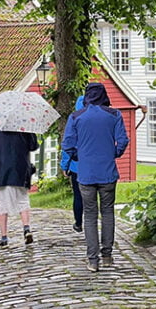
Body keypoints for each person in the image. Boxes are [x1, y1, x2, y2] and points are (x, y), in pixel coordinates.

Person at [62, 83, 129, 272]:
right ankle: (107, 254)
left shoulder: (76, 117)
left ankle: (93, 259)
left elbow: (67, 144)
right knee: (107, 212)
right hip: (108, 172)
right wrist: (114, 153)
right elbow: (123, 140)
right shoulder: (114, 115)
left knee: (89, 215)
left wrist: (77, 155)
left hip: (86, 173)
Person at [0, 121, 39, 248]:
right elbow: (33, 146)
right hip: (21, 169)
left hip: (0, 170)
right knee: (22, 200)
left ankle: (4, 237)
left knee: (1, 204)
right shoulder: (24, 124)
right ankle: (26, 228)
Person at [60, 95, 85, 233]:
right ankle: (91, 222)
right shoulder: (98, 117)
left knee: (78, 195)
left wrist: (65, 165)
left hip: (77, 165)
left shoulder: (74, 119)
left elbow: (68, 144)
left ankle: (78, 222)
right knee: (93, 195)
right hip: (95, 164)